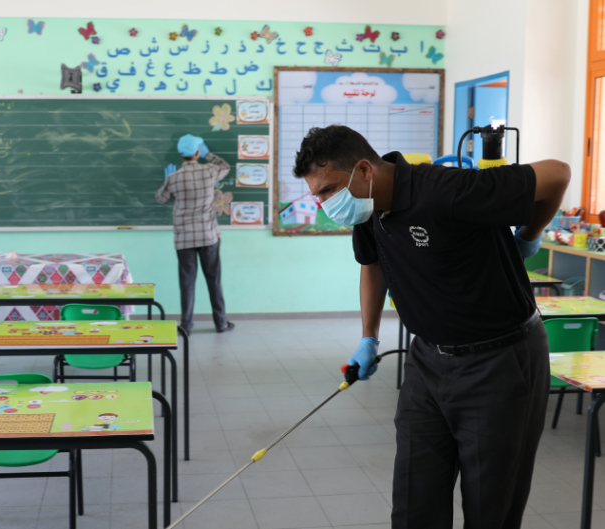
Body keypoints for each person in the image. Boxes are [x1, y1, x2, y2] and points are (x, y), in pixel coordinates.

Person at [293, 125, 569, 528]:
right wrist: (368, 337)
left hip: (499, 360)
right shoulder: (368, 207)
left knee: (490, 505)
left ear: (365, 170)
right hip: (427, 362)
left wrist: (530, 234)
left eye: (327, 190)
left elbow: (557, 173)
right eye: (318, 194)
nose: (324, 204)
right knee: (413, 501)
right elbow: (371, 264)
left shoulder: (448, 190)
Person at [155, 134, 235, 335]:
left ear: (180, 153)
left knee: (187, 283)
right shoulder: (209, 171)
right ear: (198, 152)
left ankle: (187, 325)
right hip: (208, 236)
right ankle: (221, 323)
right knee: (214, 280)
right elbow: (225, 166)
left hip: (184, 239)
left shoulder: (174, 178)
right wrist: (209, 156)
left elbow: (161, 199)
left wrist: (167, 180)